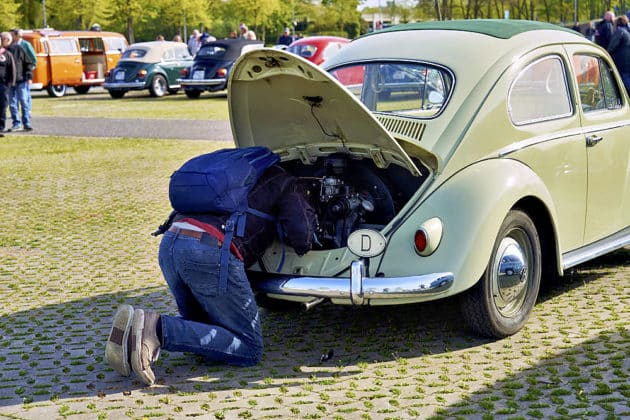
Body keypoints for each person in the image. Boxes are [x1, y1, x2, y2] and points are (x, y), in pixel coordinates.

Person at [105, 163, 317, 386]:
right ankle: (154, 328)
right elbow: (301, 235)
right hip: (207, 251)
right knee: (249, 348)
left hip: (171, 241)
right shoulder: (287, 180)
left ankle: (130, 336)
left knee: (204, 331)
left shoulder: (239, 176)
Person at [7, 30, 34, 132]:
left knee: (24, 101)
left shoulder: (19, 48)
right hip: (9, 82)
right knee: (13, 103)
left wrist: (29, 76)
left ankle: (26, 123)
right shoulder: (3, 51)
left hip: (21, 80)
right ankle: (16, 123)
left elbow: (28, 63)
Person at [608, 16, 630, 93]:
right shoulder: (627, 32)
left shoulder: (619, 31)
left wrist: (606, 54)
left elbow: (612, 47)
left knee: (624, 83)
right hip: (627, 62)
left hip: (621, 63)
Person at [0, 32, 16, 137]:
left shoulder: (7, 54)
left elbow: (12, 70)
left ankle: (0, 128)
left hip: (3, 85)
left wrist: (10, 83)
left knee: (2, 107)